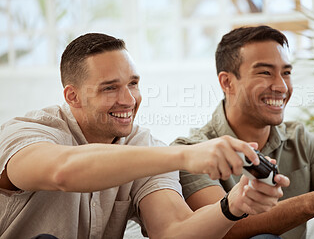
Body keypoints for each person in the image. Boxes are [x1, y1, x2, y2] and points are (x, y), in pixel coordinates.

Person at [0, 33, 290, 239]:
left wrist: (233, 205)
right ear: (72, 96)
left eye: (133, 84)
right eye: (109, 88)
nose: (128, 100)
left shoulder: (144, 146)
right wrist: (187, 155)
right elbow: (63, 171)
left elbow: (173, 231)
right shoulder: (27, 132)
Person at [171, 25, 314, 239]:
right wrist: (313, 203)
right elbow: (226, 229)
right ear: (227, 82)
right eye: (265, 73)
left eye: (286, 72)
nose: (281, 86)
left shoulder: (301, 140)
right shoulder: (191, 152)